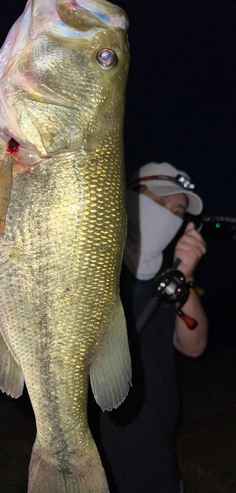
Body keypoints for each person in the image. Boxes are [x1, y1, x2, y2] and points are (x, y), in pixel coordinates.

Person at [90, 162, 208, 493]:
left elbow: (194, 345)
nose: (168, 216)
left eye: (177, 211)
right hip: (95, 437)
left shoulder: (172, 275)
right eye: (159, 203)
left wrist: (183, 277)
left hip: (156, 445)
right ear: (129, 197)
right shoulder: (95, 264)